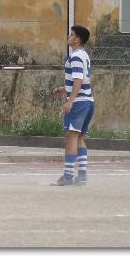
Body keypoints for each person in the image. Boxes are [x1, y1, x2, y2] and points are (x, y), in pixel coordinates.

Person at [51, 26, 94, 186]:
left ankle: (68, 176)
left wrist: (70, 100)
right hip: (88, 101)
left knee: (71, 138)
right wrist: (64, 90)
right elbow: (84, 79)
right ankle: (82, 174)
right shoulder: (84, 55)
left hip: (78, 103)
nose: (69, 36)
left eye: (71, 35)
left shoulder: (75, 56)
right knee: (80, 137)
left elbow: (78, 80)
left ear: (77, 39)